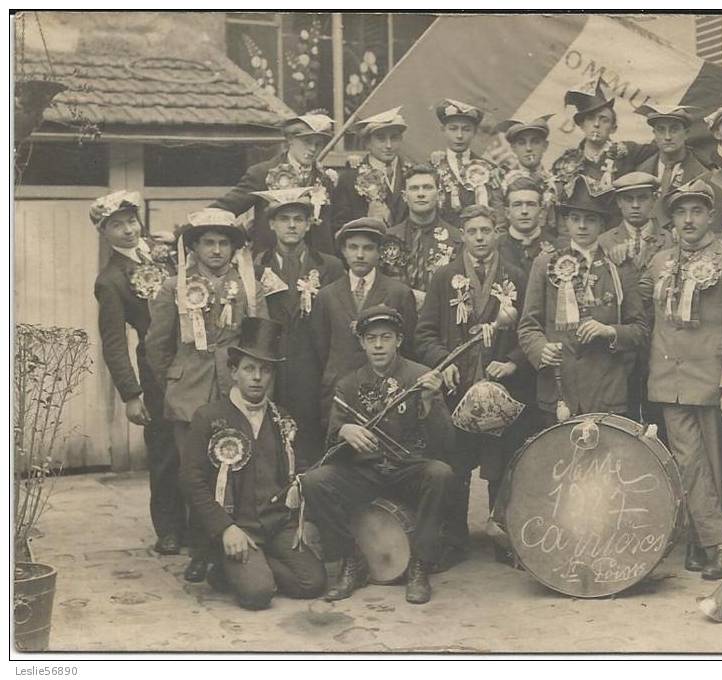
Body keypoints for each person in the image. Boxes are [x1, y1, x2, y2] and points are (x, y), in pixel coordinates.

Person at [300, 305, 455, 604]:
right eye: (371, 339)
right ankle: (350, 560)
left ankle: (420, 565)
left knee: (441, 474)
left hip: (408, 469)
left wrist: (430, 400)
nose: (379, 345)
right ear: (362, 343)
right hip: (365, 472)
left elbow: (446, 444)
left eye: (386, 337)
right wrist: (344, 430)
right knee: (314, 481)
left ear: (399, 339)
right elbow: (331, 445)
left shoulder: (421, 376)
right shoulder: (348, 384)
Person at [146, 208, 268, 583]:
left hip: (234, 391)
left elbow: (258, 344)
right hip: (190, 394)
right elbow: (156, 345)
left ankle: (229, 547)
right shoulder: (174, 287)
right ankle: (200, 550)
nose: (216, 250)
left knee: (233, 468)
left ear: (233, 248)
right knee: (194, 472)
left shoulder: (248, 286)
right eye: (208, 243)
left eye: (223, 243)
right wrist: (175, 378)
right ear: (194, 247)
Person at [640, 179, 722, 580]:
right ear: (671, 219)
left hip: (713, 379)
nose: (688, 220)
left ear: (710, 216)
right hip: (669, 377)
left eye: (696, 212)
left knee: (714, 464)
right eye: (680, 212)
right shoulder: (658, 262)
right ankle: (718, 545)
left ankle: (704, 540)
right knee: (689, 460)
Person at [180, 317, 326, 609]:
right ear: (233, 372)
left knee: (313, 583)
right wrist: (224, 528)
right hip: (237, 526)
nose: (257, 377)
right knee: (258, 594)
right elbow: (191, 481)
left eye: (265, 369)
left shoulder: (283, 419)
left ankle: (248, 567)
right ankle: (229, 564)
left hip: (276, 525)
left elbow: (300, 471)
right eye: (249, 369)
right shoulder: (209, 417)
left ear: (272, 375)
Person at [416, 204, 531, 566]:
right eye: (473, 231)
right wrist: (443, 361)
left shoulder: (515, 275)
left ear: (497, 232)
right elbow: (424, 334)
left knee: (501, 462)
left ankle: (502, 533)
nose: (480, 238)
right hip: (458, 387)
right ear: (462, 235)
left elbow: (530, 329)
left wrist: (513, 360)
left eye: (486, 230)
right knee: (457, 462)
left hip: (500, 386)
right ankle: (454, 536)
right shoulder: (444, 276)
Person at [91, 190, 181, 555]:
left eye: (131, 221)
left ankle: (199, 524)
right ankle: (170, 530)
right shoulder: (110, 280)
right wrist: (130, 394)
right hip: (156, 368)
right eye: (117, 225)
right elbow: (113, 342)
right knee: (163, 450)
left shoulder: (163, 252)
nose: (128, 230)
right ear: (104, 232)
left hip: (193, 357)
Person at [518, 176, 648, 424]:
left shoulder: (619, 267)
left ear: (602, 224)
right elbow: (528, 326)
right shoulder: (545, 264)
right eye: (575, 218)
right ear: (566, 222)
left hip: (607, 391)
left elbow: (640, 330)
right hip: (558, 388)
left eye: (590, 219)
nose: (582, 226)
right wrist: (540, 349)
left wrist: (609, 330)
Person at [252, 188, 345, 466]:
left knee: (311, 450)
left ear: (308, 224)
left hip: (314, 372)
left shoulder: (330, 266)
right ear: (272, 224)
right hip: (272, 371)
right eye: (284, 219)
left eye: (298, 219)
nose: (291, 225)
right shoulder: (257, 267)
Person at [310, 218, 418, 422]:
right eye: (353, 247)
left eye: (368, 248)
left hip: (387, 394)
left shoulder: (399, 293)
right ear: (343, 250)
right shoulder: (327, 295)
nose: (360, 255)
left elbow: (409, 347)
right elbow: (320, 348)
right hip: (339, 394)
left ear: (379, 252)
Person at [598, 171, 674, 425]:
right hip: (621, 343)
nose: (635, 205)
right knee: (624, 414)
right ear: (619, 203)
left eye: (642, 198)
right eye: (628, 199)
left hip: (662, 341)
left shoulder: (671, 240)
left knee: (659, 416)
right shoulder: (604, 242)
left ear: (654, 200)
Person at [211, 111, 339, 254]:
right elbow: (221, 210)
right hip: (270, 263)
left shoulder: (326, 178)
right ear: (290, 139)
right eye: (307, 142)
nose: (313, 149)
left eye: (318, 143)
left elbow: (331, 225)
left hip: (317, 265)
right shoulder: (262, 173)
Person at [383, 164, 463, 303]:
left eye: (427, 187)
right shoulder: (388, 238)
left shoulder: (456, 240)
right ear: (404, 196)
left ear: (439, 194)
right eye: (414, 188)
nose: (421, 193)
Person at [552, 77, 636, 196]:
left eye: (604, 120)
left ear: (613, 128)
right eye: (591, 119)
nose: (596, 124)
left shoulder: (629, 152)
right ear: (582, 125)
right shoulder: (565, 162)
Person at [430, 98, 503, 226]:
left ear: (474, 131)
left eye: (466, 129)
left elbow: (498, 214)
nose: (459, 135)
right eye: (453, 129)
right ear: (443, 130)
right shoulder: (431, 167)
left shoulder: (489, 169)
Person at [334, 107, 412, 228]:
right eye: (381, 138)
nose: (389, 145)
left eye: (394, 138)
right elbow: (339, 225)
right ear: (367, 143)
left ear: (401, 139)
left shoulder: (412, 174)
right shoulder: (349, 178)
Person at [496, 114, 559, 236]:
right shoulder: (501, 183)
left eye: (535, 142)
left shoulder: (556, 183)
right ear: (513, 148)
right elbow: (500, 227)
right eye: (522, 143)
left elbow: (561, 230)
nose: (529, 148)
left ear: (545, 146)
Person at [495, 175, 559, 276]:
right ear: (507, 213)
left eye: (530, 204)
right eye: (517, 205)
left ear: (541, 211)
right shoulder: (495, 248)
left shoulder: (557, 248)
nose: (524, 211)